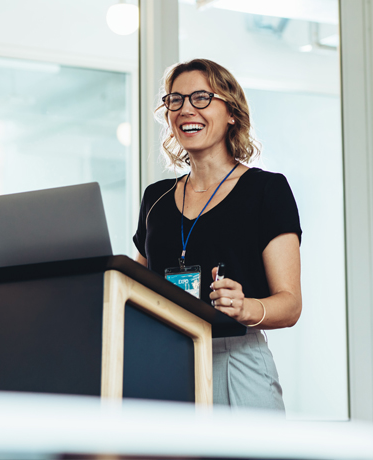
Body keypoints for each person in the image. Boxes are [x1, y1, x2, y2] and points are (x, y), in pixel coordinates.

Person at [133, 59, 302, 411]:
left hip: (235, 360)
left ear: (231, 113)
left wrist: (244, 307)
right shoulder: (156, 198)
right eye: (174, 100)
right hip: (166, 362)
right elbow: (138, 290)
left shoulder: (266, 189)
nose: (185, 109)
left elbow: (289, 305)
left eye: (200, 98)